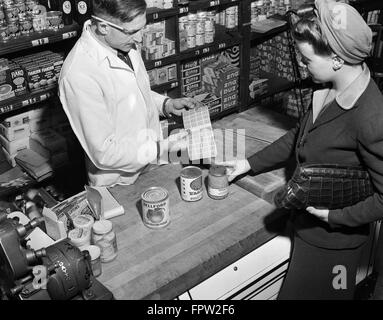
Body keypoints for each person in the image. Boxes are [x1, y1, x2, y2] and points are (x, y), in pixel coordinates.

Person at [219, 0, 383, 299]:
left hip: (336, 248)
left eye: (307, 60)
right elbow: (299, 136)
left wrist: (334, 217)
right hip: (308, 229)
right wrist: (248, 164)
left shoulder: (371, 117)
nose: (304, 67)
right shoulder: (330, 89)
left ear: (335, 59)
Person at [58, 0, 199, 187]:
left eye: (142, 28)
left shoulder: (122, 42)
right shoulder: (78, 74)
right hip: (120, 182)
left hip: (152, 163)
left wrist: (166, 105)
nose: (140, 38)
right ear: (103, 27)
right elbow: (104, 153)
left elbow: (131, 91)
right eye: (133, 31)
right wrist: (164, 148)